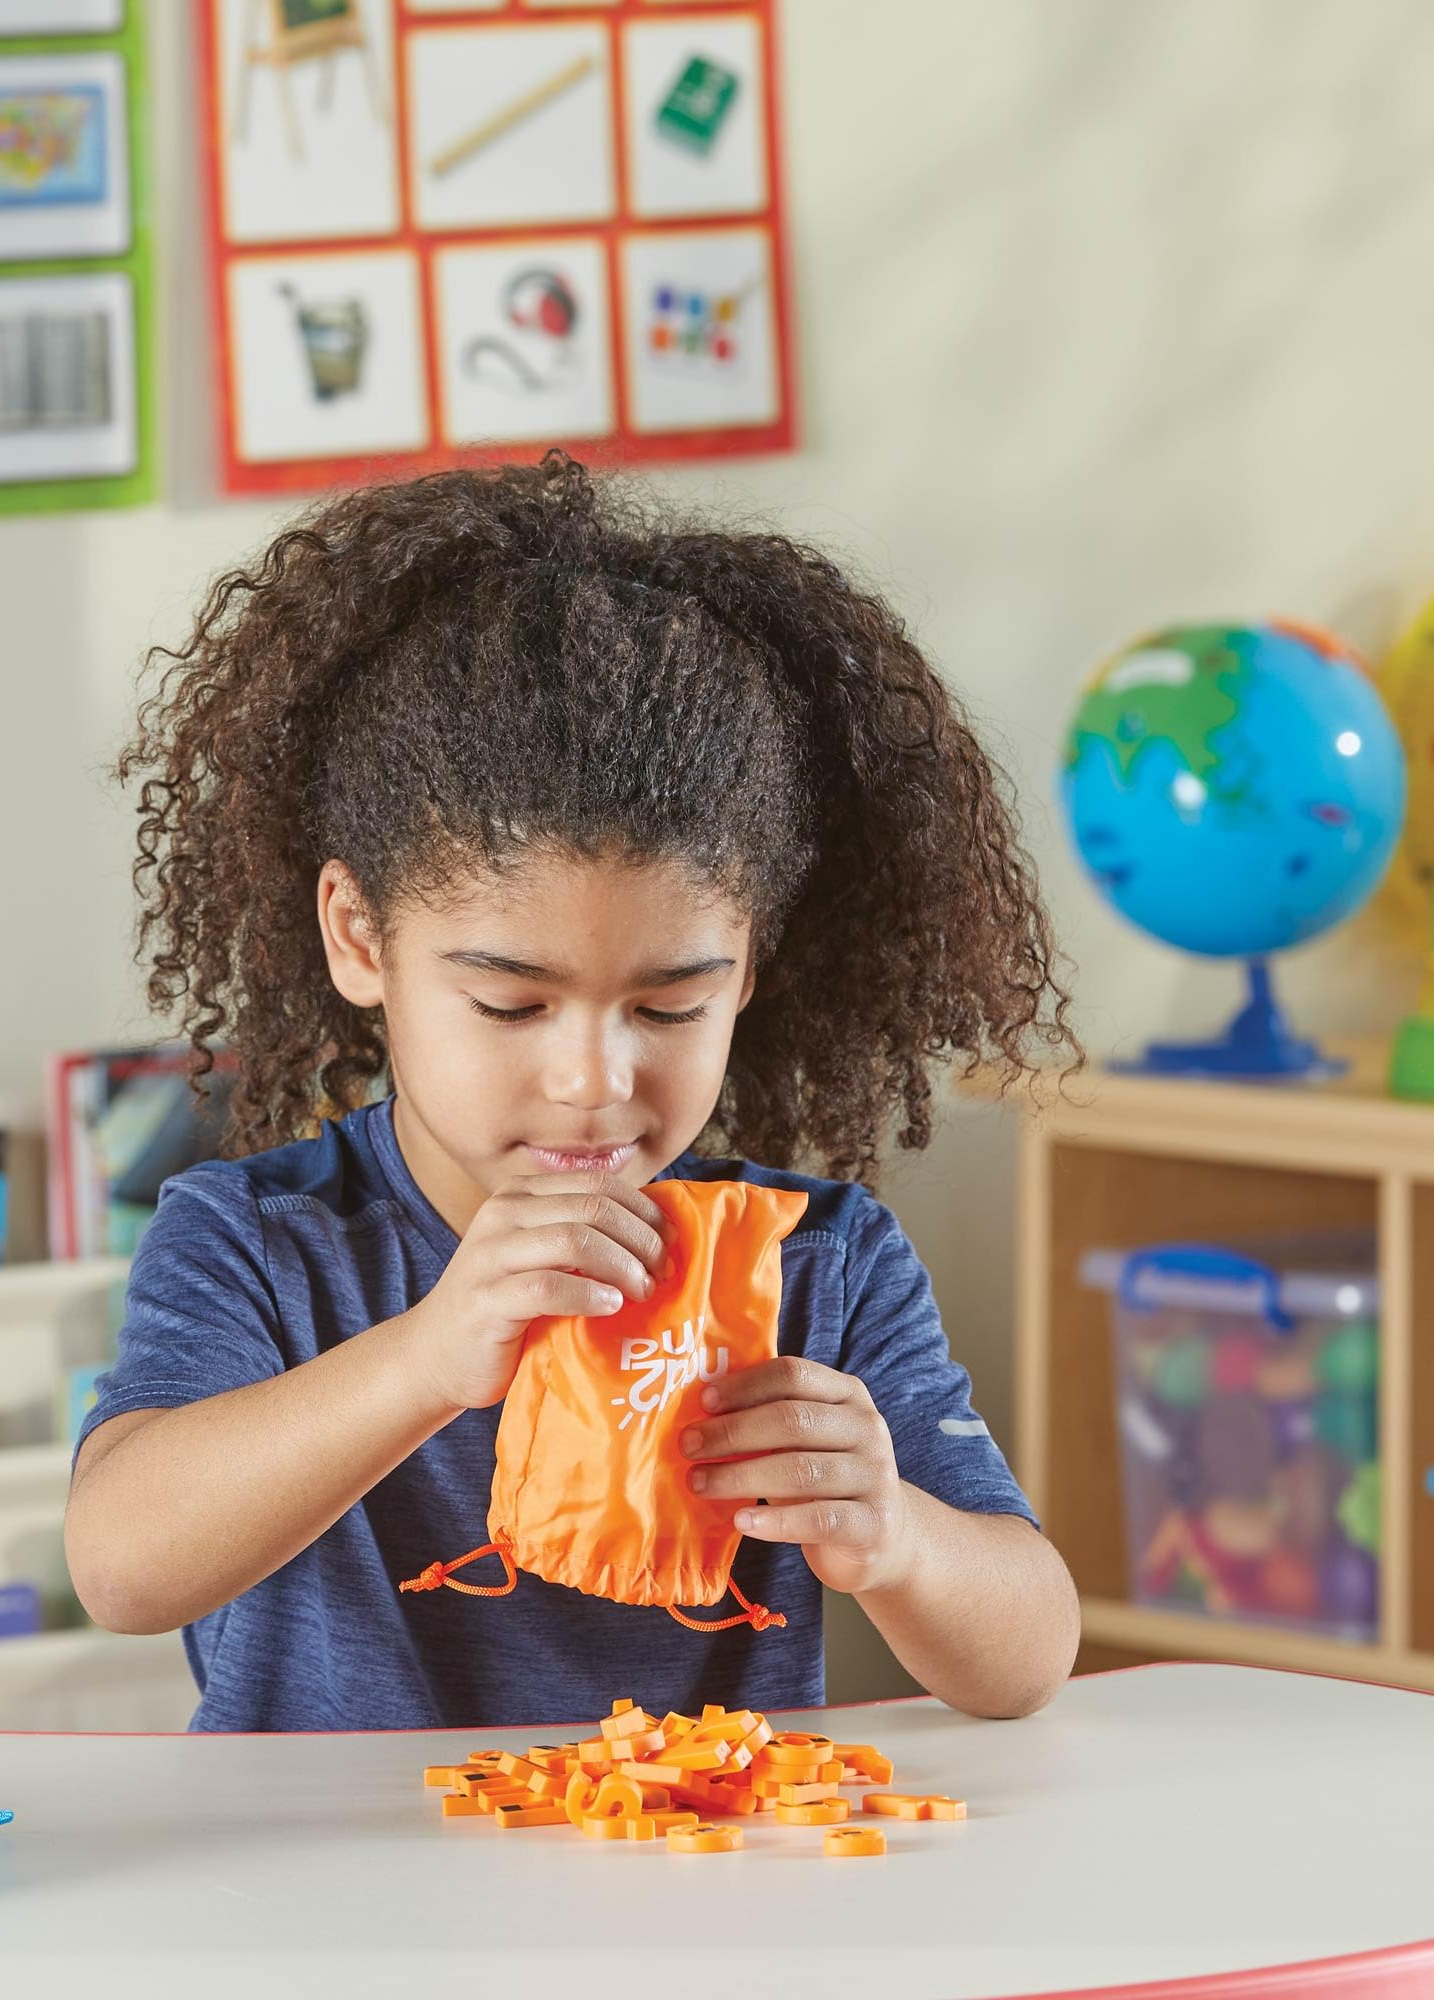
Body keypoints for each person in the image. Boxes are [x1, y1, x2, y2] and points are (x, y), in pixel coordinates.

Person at [66, 452, 1081, 1731]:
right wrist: (427, 1358)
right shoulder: (265, 1244)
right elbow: (118, 1563)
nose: (595, 1079)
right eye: (509, 1004)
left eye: (668, 1005)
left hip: (695, 1886)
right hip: (328, 1908)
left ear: (748, 964)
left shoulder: (818, 1265)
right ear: (360, 938)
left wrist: (895, 1535)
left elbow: (1030, 1651)